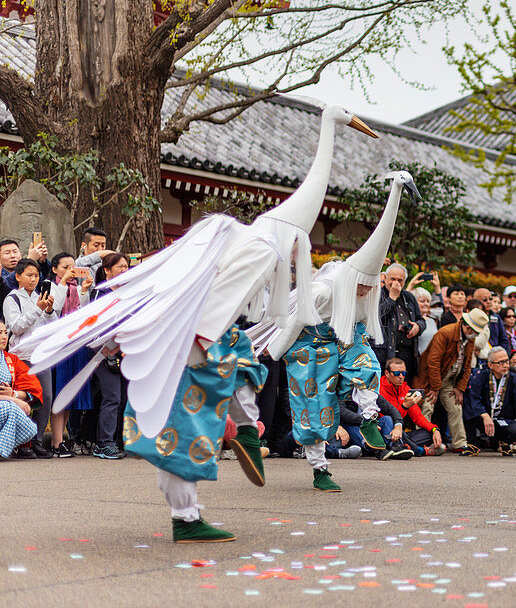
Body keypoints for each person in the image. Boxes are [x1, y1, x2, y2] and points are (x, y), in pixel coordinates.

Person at [16, 104, 376, 543]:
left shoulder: (233, 229)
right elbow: (218, 302)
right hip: (188, 337)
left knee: (241, 368)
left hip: (195, 332)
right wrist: (196, 341)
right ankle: (188, 514)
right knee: (186, 427)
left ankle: (242, 432)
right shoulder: (263, 247)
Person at [258, 172, 419, 492]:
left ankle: (371, 416)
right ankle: (319, 468)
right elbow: (293, 324)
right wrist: (272, 350)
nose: (364, 290)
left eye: (370, 286)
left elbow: (361, 336)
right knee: (314, 408)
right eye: (361, 284)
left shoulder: (368, 297)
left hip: (346, 339)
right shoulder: (321, 291)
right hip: (309, 345)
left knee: (368, 365)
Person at [415, 308, 487, 455]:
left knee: (456, 406)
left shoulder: (469, 338)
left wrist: (460, 388)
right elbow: (433, 362)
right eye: (475, 331)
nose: (476, 335)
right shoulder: (445, 333)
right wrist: (434, 388)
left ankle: (459, 443)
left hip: (449, 379)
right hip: (429, 378)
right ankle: (422, 440)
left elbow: (467, 365)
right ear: (467, 327)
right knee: (427, 406)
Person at [3, 258, 55, 457]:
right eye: (29, 275)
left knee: (46, 397)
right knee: (26, 399)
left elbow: (53, 325)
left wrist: (49, 311)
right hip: (22, 357)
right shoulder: (12, 299)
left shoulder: (39, 297)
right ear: (18, 276)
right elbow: (16, 327)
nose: (34, 280)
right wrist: (38, 309)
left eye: (36, 276)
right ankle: (23, 444)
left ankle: (38, 441)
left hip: (42, 355)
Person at [46, 252, 94, 457]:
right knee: (59, 393)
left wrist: (83, 291)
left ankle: (61, 439)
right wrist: (63, 283)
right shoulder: (50, 286)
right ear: (55, 269)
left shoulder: (76, 288)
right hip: (59, 347)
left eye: (73, 267)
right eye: (65, 267)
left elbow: (84, 315)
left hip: (76, 345)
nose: (70, 271)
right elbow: (53, 313)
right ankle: (57, 443)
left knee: (70, 395)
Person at [89, 253, 130, 460]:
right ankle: (104, 443)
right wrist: (111, 347)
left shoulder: (129, 292)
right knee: (111, 397)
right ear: (107, 270)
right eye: (120, 266)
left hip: (125, 351)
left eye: (126, 266)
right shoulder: (100, 292)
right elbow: (98, 324)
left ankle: (119, 440)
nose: (124, 270)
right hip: (103, 352)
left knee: (123, 398)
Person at [463, 346, 516, 455]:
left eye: (507, 362)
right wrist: (484, 415)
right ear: (490, 365)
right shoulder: (480, 377)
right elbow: (473, 398)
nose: (505, 365)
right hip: (483, 419)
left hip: (503, 419)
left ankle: (504, 442)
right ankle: (473, 444)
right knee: (468, 405)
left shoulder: (515, 380)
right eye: (501, 362)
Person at [379, 357, 444, 456]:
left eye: (403, 373)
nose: (401, 376)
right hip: (384, 432)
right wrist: (404, 406)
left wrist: (434, 429)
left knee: (428, 433)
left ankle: (404, 446)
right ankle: (419, 450)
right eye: (397, 374)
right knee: (389, 423)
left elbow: (418, 417)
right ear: (387, 373)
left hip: (399, 433)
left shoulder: (405, 388)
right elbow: (386, 420)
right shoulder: (379, 388)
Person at [0, 320, 43, 459]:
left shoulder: (11, 360)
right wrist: (14, 400)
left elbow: (32, 385)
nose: (4, 337)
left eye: (5, 333)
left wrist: (16, 394)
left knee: (31, 429)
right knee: (12, 409)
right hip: (8, 406)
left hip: (8, 405)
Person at [375, 263, 425, 378]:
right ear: (385, 278)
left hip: (407, 352)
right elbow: (377, 316)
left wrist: (418, 326)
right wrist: (392, 298)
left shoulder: (409, 297)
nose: (396, 283)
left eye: (400, 280)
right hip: (385, 353)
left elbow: (421, 320)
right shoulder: (377, 294)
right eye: (393, 279)